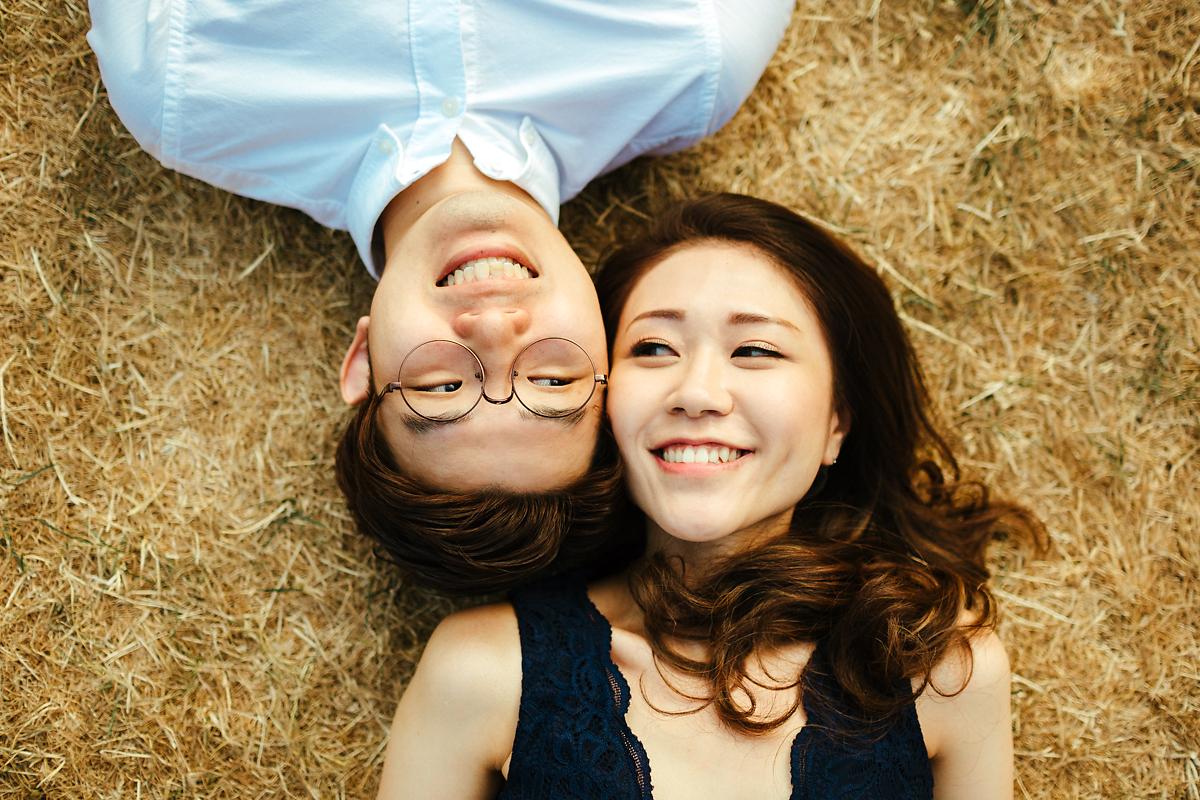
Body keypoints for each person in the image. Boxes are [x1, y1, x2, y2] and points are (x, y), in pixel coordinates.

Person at [86, 1, 795, 592]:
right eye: (552, 377)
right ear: (612, 342)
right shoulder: (697, 59)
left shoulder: (181, 89)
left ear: (363, 361)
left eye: (440, 381)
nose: (491, 324)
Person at [375, 194, 1045, 798]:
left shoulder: (944, 670)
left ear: (837, 421)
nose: (695, 393)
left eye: (754, 350)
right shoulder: (484, 672)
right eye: (655, 347)